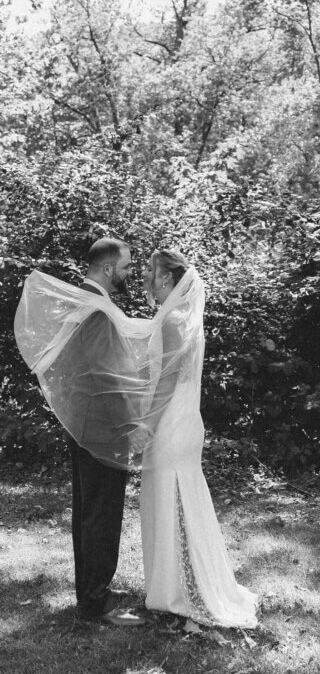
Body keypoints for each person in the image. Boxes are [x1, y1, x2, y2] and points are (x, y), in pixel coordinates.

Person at [15, 238, 146, 627]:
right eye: (125, 267)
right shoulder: (97, 310)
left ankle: (93, 589)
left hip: (83, 423)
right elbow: (106, 376)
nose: (128, 274)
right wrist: (131, 424)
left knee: (89, 511)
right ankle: (96, 604)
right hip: (102, 426)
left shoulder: (80, 302)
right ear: (107, 269)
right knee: (101, 513)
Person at [137, 249, 257, 628]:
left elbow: (167, 380)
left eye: (151, 272)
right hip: (183, 418)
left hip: (170, 421)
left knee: (172, 497)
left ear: (168, 280)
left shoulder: (171, 320)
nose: (145, 277)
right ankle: (180, 581)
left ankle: (182, 589)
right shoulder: (179, 317)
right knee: (177, 496)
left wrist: (146, 425)